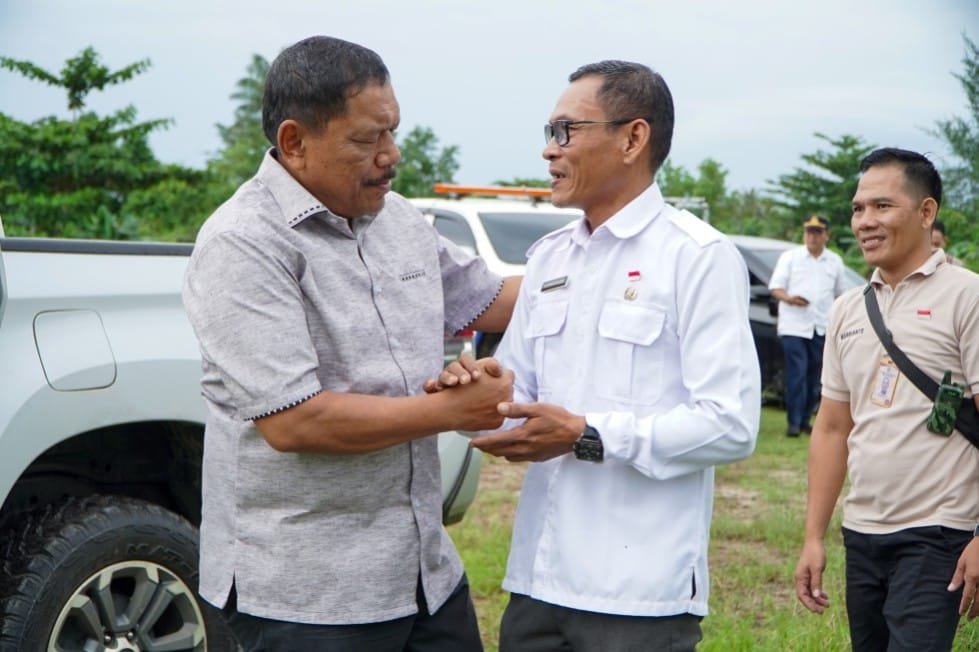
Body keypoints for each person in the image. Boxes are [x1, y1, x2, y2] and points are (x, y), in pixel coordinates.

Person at [182, 35, 519, 652]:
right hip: (306, 595)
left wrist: (615, 266)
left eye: (393, 132)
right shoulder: (243, 243)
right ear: (294, 142)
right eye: (367, 140)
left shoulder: (399, 221)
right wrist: (448, 411)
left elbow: (489, 297)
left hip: (423, 574)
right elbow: (295, 423)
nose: (391, 155)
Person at [470, 60, 761, 652]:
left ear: (633, 138)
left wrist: (588, 433)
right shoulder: (551, 258)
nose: (550, 152)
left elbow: (730, 424)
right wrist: (477, 386)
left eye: (565, 131)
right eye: (548, 133)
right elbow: (517, 386)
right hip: (537, 581)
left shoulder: (696, 257)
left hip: (637, 594)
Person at [794, 148, 979, 651]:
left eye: (882, 206)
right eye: (858, 209)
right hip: (863, 531)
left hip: (938, 532)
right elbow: (833, 427)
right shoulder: (848, 309)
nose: (865, 221)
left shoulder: (967, 296)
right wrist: (814, 536)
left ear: (926, 212)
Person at [768, 215, 848, 436]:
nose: (812, 236)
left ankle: (805, 420)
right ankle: (793, 422)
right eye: (809, 232)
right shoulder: (791, 257)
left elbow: (841, 293)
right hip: (794, 325)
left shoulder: (834, 261)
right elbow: (775, 287)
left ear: (826, 235)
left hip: (821, 325)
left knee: (816, 376)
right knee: (798, 373)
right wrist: (790, 299)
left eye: (817, 232)